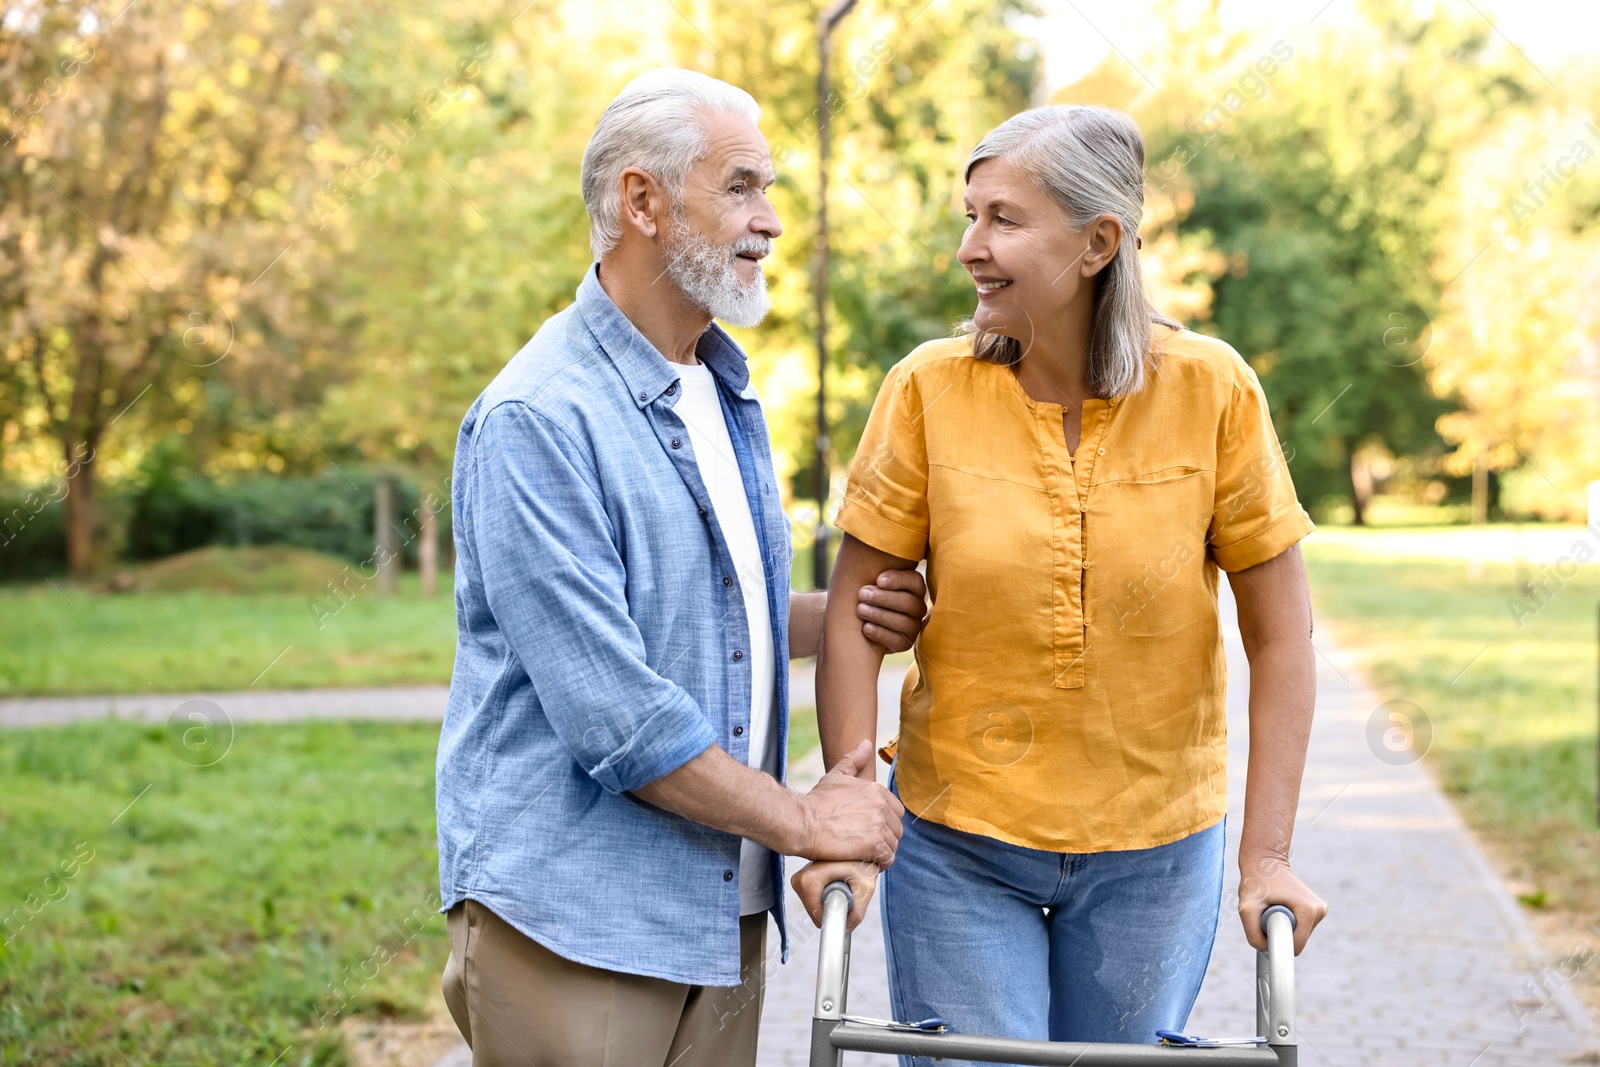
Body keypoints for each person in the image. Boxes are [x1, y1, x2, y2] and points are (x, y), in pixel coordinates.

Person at [799, 105, 1329, 1062]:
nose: (970, 246)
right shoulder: (928, 388)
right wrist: (848, 804)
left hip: (1156, 849)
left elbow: (1282, 640)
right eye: (970, 216)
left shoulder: (1214, 390)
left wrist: (1268, 857)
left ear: (1097, 243)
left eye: (1003, 218)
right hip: (958, 840)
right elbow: (852, 616)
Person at [434, 69, 927, 1067]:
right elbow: (613, 712)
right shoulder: (539, 417)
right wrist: (806, 819)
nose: (773, 221)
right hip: (577, 924)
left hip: (717, 914)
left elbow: (704, 609)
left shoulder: (717, 385)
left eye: (769, 189)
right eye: (741, 186)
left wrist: (840, 614)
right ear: (641, 200)